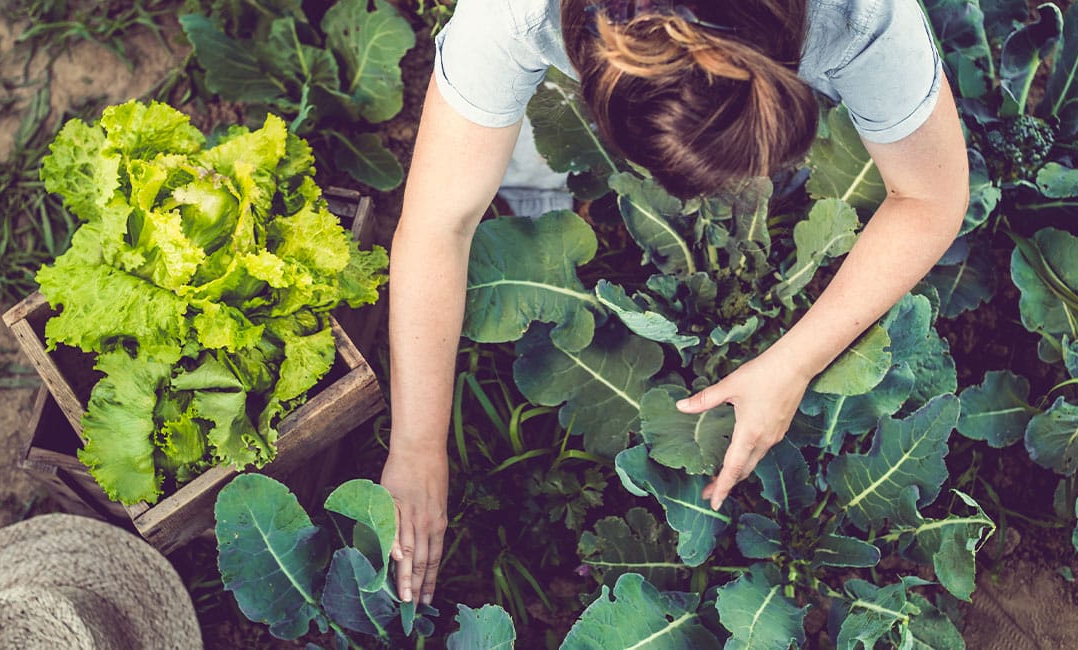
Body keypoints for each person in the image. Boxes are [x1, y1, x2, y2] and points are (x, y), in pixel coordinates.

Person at [380, 0, 969, 607]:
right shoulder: (512, 15)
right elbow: (436, 227)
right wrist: (417, 447)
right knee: (508, 158)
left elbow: (933, 197)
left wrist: (791, 363)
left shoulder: (859, 13)